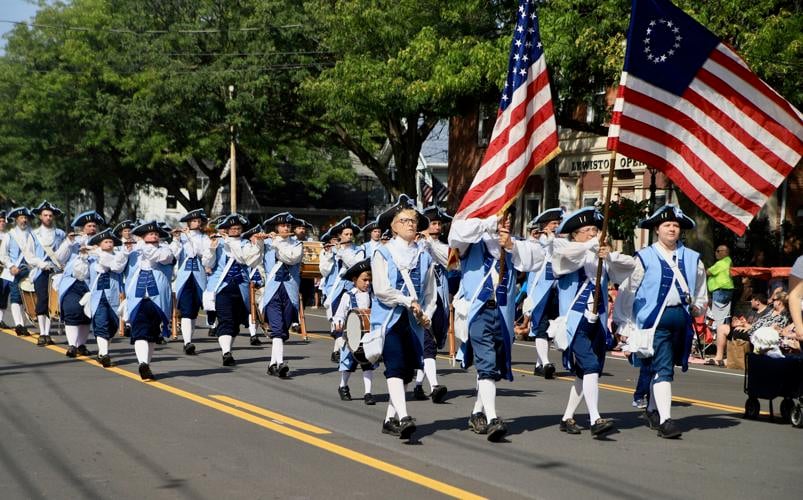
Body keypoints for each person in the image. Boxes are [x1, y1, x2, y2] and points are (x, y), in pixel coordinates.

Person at [449, 212, 545, 442]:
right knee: (487, 363)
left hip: (502, 314)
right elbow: (456, 233)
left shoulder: (513, 244)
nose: (506, 219)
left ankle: (476, 412)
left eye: (510, 215)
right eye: (502, 215)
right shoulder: (471, 242)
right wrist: (489, 222)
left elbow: (539, 258)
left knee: (492, 367)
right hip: (478, 311)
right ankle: (493, 418)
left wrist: (510, 244)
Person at [615, 205, 707, 439]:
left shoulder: (692, 257)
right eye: (667, 225)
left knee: (665, 366)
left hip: (681, 320)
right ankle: (666, 420)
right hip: (654, 322)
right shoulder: (643, 257)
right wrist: (625, 323)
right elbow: (628, 291)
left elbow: (700, 287)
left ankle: (652, 408)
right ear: (657, 229)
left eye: (676, 225)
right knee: (663, 367)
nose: (672, 229)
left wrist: (698, 305)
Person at [551, 207, 634, 438]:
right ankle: (595, 418)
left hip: (597, 321)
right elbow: (564, 260)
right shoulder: (566, 250)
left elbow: (629, 266)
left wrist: (608, 254)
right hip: (575, 322)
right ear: (575, 234)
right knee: (590, 367)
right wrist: (592, 245)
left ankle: (567, 417)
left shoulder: (602, 256)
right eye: (586, 230)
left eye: (595, 230)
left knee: (585, 372)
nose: (592, 234)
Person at [365, 195, 435, 441]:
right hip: (389, 320)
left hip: (413, 322)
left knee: (405, 371)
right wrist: (407, 301)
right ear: (393, 226)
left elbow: (429, 292)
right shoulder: (382, 253)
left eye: (414, 220)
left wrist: (427, 314)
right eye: (404, 220)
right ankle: (404, 416)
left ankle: (389, 419)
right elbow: (382, 290)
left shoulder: (424, 256)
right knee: (394, 365)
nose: (411, 224)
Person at [202, 213, 261, 366]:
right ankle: (226, 352)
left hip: (241, 287)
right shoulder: (218, 242)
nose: (235, 230)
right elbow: (207, 262)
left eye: (238, 228)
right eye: (232, 228)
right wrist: (211, 248)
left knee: (235, 323)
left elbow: (246, 260)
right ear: (226, 229)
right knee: (226, 319)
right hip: (221, 287)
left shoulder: (245, 244)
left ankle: (228, 349)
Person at [412, 205, 452, 403]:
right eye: (433, 224)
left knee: (432, 344)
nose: (437, 228)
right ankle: (434, 385)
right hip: (422, 302)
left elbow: (450, 262)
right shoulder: (414, 245)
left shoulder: (441, 245)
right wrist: (422, 244)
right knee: (427, 343)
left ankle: (418, 385)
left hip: (440, 301)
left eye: (439, 224)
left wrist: (430, 244)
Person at [256, 213, 304, 377]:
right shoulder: (268, 243)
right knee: (276, 328)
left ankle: (272, 364)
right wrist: (258, 241)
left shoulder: (297, 244)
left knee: (283, 328)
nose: (286, 228)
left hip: (290, 291)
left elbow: (291, 258)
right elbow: (251, 259)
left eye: (288, 226)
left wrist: (276, 242)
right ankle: (281, 362)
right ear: (276, 228)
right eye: (283, 226)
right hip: (272, 291)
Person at [126, 221, 174, 380]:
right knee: (139, 330)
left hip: (157, 298)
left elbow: (160, 257)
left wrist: (141, 245)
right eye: (150, 233)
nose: (154, 235)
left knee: (153, 332)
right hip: (138, 297)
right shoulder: (133, 251)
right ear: (143, 236)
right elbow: (117, 266)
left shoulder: (165, 249)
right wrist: (125, 250)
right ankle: (142, 364)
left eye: (156, 234)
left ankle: (146, 363)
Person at [75, 229, 127, 367]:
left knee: (113, 325)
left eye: (111, 242)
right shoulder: (91, 258)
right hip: (97, 296)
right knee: (100, 323)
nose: (109, 244)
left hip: (114, 296)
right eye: (106, 242)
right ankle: (104, 354)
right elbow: (80, 274)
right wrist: (82, 258)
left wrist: (97, 253)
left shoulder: (119, 256)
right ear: (99, 244)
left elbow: (116, 267)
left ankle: (102, 352)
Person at [521, 207, 563, 379]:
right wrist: (529, 298)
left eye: (558, 223)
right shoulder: (537, 245)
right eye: (553, 223)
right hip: (540, 293)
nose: (557, 226)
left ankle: (539, 365)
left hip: (558, 292)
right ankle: (545, 362)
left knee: (551, 328)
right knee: (541, 327)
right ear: (545, 226)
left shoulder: (560, 242)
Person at [56, 210, 105, 356]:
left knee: (86, 315)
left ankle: (81, 345)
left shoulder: (100, 243)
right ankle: (72, 345)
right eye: (89, 226)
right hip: (72, 281)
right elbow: (59, 258)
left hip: (91, 283)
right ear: (83, 228)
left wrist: (97, 250)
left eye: (94, 226)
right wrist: (69, 242)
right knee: (71, 310)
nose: (92, 228)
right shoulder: (74, 242)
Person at [332, 258, 378, 404]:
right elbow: (339, 314)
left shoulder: (373, 296)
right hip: (351, 338)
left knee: (367, 363)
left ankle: (368, 393)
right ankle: (343, 386)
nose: (367, 283)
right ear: (354, 279)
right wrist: (338, 323)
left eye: (369, 280)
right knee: (348, 364)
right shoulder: (348, 296)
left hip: (368, 336)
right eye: (364, 280)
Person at [320, 216, 365, 362]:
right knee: (336, 319)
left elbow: (355, 265)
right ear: (339, 236)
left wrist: (342, 251)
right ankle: (339, 350)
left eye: (351, 234)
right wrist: (327, 254)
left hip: (351, 288)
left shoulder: (358, 250)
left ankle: (339, 351)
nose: (349, 237)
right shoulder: (331, 250)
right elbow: (324, 271)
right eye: (346, 234)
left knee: (350, 319)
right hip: (334, 289)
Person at [170, 208, 211, 355]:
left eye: (199, 221)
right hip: (184, 277)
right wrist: (176, 239)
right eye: (194, 221)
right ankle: (187, 342)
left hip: (199, 277)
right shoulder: (181, 237)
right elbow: (173, 254)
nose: (197, 223)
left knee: (194, 310)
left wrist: (189, 237)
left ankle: (189, 339)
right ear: (188, 222)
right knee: (186, 310)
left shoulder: (204, 238)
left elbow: (200, 253)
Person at [29, 201, 67, 344]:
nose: (48, 218)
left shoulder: (60, 234)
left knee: (52, 302)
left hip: (56, 272)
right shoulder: (34, 234)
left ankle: (47, 334)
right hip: (40, 271)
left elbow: (65, 252)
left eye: (50, 215)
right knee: (42, 300)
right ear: (40, 217)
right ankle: (43, 333)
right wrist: (41, 263)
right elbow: (29, 255)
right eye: (45, 215)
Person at [0, 207, 37, 336]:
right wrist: (11, 266)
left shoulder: (33, 234)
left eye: (26, 218)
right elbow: (3, 254)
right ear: (16, 220)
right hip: (15, 271)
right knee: (16, 297)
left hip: (30, 270)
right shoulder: (10, 235)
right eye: (21, 218)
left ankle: (29, 322)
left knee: (28, 298)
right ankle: (19, 325)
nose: (24, 220)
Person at [705, 244, 735, 367]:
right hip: (724, 292)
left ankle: (719, 355)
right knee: (723, 321)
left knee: (718, 322)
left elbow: (708, 272)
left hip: (721, 292)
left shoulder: (722, 263)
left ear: (725, 252)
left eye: (718, 251)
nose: (715, 253)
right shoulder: (728, 262)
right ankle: (723, 353)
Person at [0, 210, 9, 328]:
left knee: (3, 294)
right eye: (0, 221)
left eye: (3, 221)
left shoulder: (8, 236)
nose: (2, 223)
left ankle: (0, 320)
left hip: (4, 269)